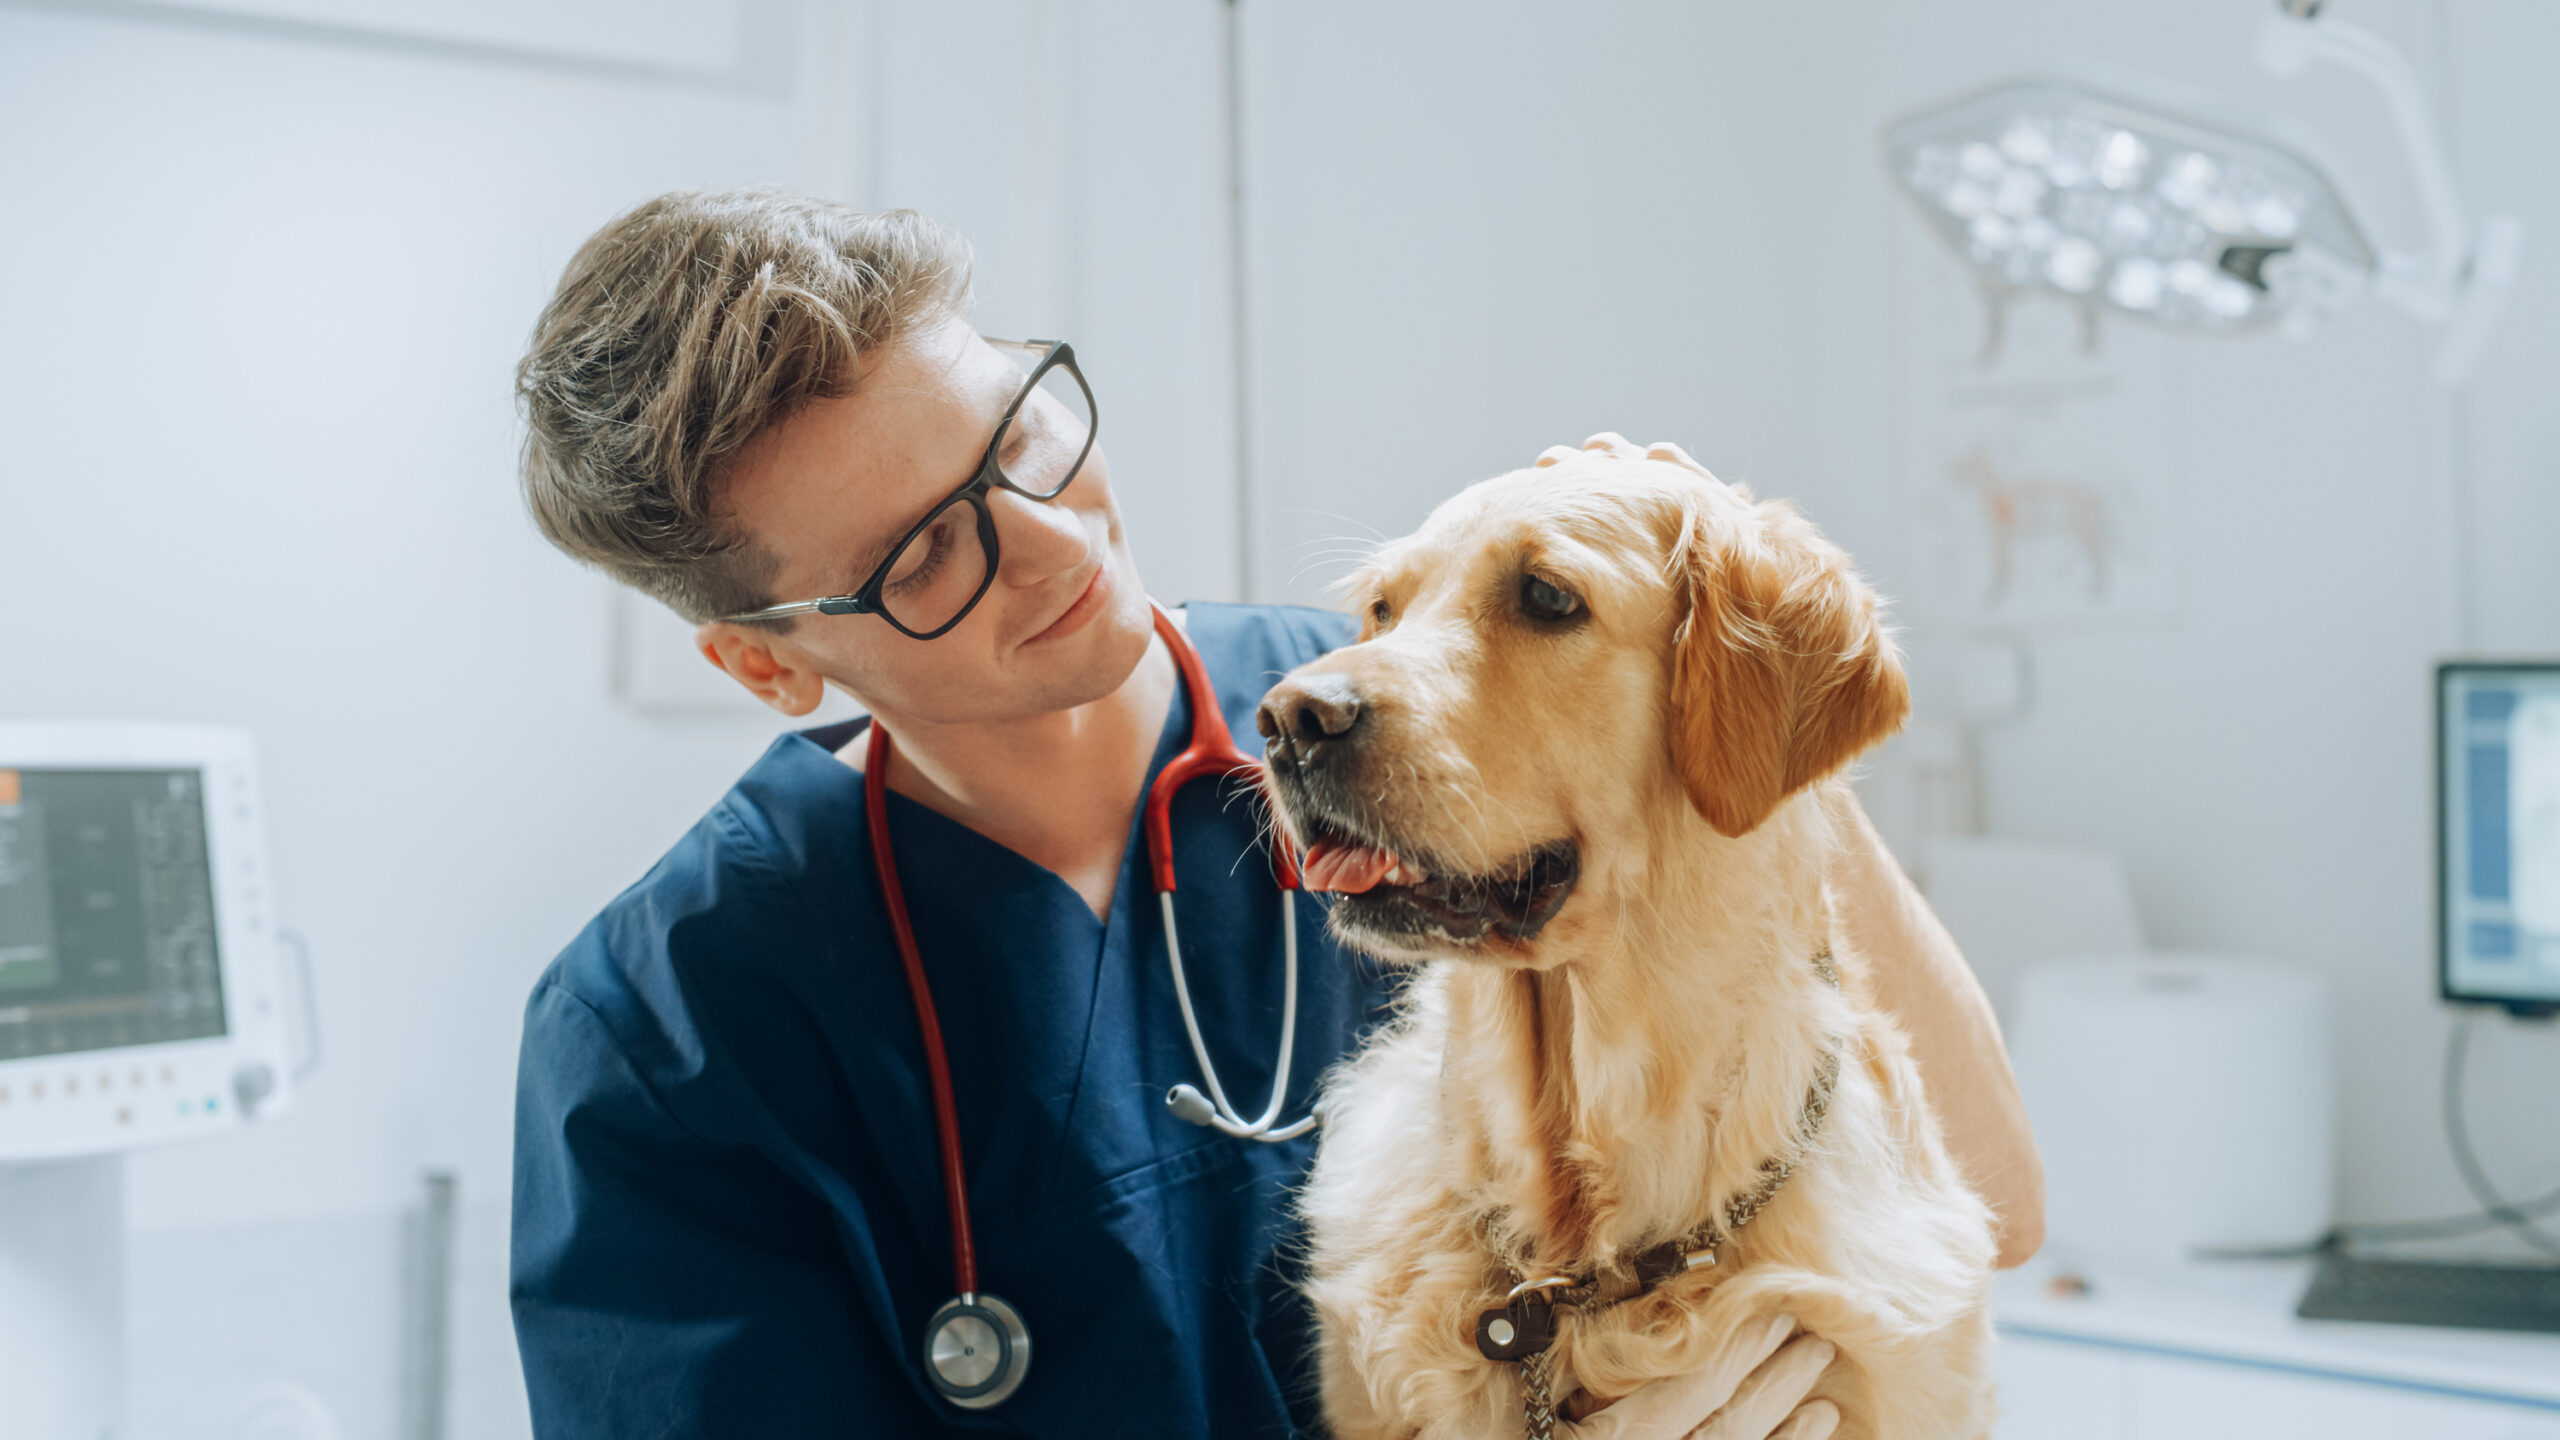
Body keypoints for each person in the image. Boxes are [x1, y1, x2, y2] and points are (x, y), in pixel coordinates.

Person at [506, 188, 2043, 1439]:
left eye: (1021, 434)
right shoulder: (669, 1037)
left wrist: (1715, 665)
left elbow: (1993, 1194)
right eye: (923, 556)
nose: (1054, 546)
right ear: (768, 662)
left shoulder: (1395, 728)